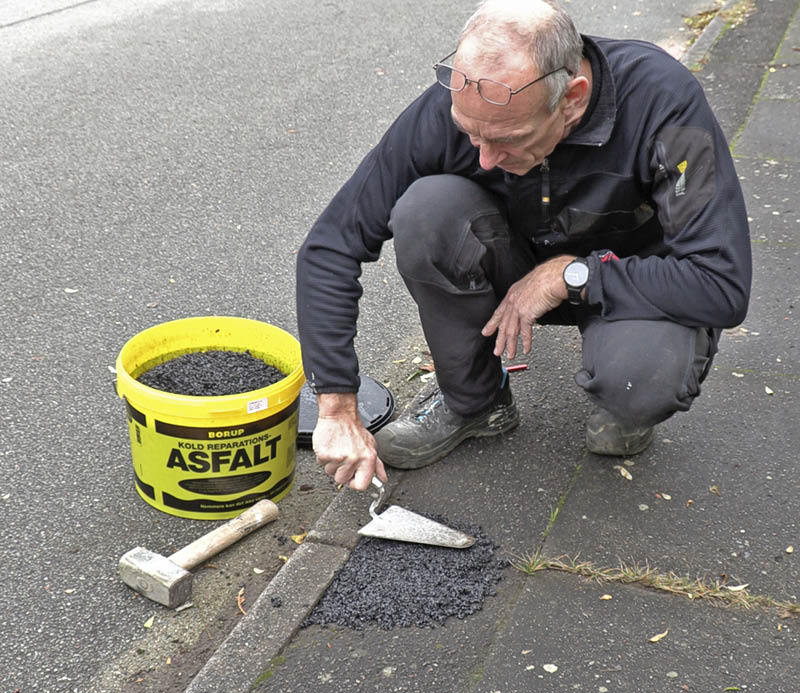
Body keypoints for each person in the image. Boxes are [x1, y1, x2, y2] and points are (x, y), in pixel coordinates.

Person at [296, 0, 751, 491]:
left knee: (635, 381)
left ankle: (628, 403)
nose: (486, 159)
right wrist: (337, 404)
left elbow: (721, 282)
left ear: (572, 98)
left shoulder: (663, 103)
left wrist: (570, 275)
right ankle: (476, 404)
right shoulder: (462, 107)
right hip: (513, 261)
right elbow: (331, 244)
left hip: (630, 286)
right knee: (426, 209)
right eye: (471, 134)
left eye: (509, 138)